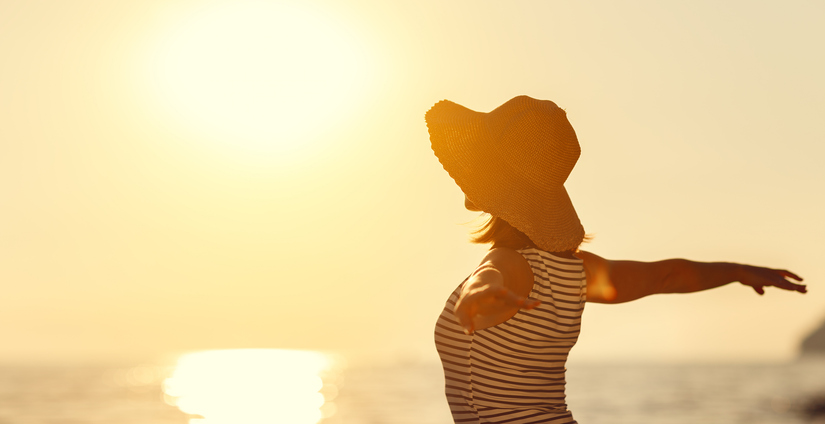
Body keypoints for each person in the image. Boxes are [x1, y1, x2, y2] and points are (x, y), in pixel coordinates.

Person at [426, 95, 806, 424]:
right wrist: (738, 271)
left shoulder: (509, 262)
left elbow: (490, 277)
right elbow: (666, 277)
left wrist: (478, 295)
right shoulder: (573, 271)